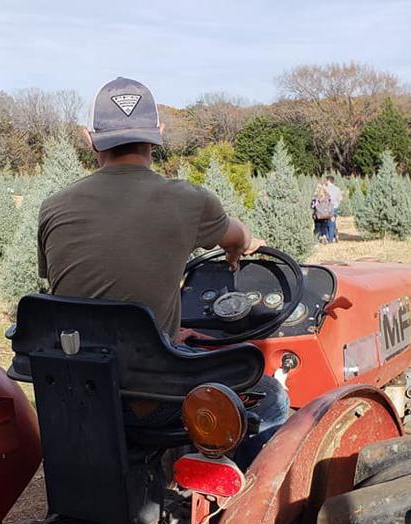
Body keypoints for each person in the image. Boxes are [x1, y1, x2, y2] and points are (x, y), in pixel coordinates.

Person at [36, 77, 288, 466]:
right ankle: (243, 494)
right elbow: (237, 235)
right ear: (159, 133)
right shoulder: (188, 199)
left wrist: (162, 334)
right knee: (272, 396)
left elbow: (75, 291)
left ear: (90, 138)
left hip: (76, 394)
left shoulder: (53, 207)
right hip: (153, 400)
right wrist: (240, 247)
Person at [324, 174, 343, 243]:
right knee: (332, 222)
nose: (325, 182)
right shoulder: (337, 189)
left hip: (327, 208)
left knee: (328, 224)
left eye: (326, 180)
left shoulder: (326, 189)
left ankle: (330, 240)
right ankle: (335, 236)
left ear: (329, 181)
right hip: (334, 208)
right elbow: (340, 199)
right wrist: (337, 204)